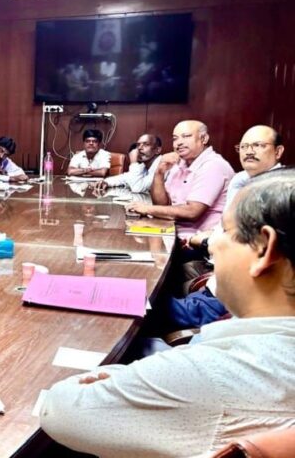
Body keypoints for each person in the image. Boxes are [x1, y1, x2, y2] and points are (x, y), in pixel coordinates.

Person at [40, 168, 295, 457]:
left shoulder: (212, 373)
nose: (212, 244)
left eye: (225, 230)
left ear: (263, 248)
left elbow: (59, 407)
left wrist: (118, 376)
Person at [169, 125, 285, 328]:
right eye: (244, 146)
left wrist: (205, 241)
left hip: (234, 294)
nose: (249, 151)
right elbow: (225, 227)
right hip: (218, 277)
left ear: (278, 151)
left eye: (258, 145)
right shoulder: (241, 179)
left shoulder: (278, 194)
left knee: (150, 304)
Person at [126, 120, 235, 237]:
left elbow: (192, 212)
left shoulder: (213, 165)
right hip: (173, 231)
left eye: (186, 136)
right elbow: (163, 205)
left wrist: (147, 209)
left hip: (199, 240)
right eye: (175, 139)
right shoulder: (179, 164)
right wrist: (159, 172)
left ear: (203, 139)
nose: (179, 143)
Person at [96, 134, 163, 192]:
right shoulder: (144, 166)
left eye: (146, 144)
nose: (139, 148)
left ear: (158, 150)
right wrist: (106, 182)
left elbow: (137, 188)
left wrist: (133, 162)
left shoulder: (162, 165)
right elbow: (125, 178)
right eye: (138, 145)